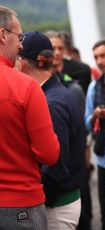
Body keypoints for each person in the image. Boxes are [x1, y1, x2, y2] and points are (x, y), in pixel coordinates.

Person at [18, 31, 86, 230]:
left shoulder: (51, 103)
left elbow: (55, 166)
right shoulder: (58, 93)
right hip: (63, 201)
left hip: (56, 206)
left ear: (22, 62)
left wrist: (35, 201)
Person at [0, 6, 60, 230]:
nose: (21, 44)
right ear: (3, 35)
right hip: (20, 204)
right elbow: (49, 153)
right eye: (19, 36)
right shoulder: (26, 86)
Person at [85, 40, 105, 230]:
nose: (99, 61)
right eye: (96, 57)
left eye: (103, 55)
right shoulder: (93, 87)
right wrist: (95, 115)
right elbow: (86, 122)